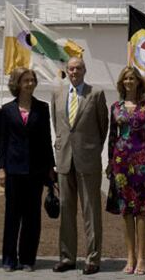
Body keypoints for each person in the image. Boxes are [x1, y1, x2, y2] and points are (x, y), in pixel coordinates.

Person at [51, 57, 108, 275]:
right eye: (71, 68)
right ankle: (67, 257)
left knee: (91, 212)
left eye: (78, 68)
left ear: (85, 70)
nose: (75, 71)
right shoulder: (57, 94)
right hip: (64, 160)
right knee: (66, 210)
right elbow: (57, 125)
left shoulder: (96, 94)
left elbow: (103, 126)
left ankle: (93, 258)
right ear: (66, 71)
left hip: (88, 160)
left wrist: (92, 149)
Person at [0, 67, 55, 272]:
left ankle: (28, 258)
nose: (30, 83)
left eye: (32, 80)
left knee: (32, 217)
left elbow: (47, 139)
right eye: (25, 80)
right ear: (17, 84)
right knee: (12, 216)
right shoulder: (6, 110)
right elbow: (2, 140)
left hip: (36, 170)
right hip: (13, 169)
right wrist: (1, 168)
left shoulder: (42, 108)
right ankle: (9, 259)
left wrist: (51, 168)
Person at [106, 66, 145, 275]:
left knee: (142, 211)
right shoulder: (115, 107)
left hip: (141, 160)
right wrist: (110, 161)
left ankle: (142, 258)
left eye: (132, 78)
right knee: (126, 211)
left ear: (138, 81)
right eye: (126, 78)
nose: (129, 81)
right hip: (121, 160)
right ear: (122, 82)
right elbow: (112, 136)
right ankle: (130, 256)